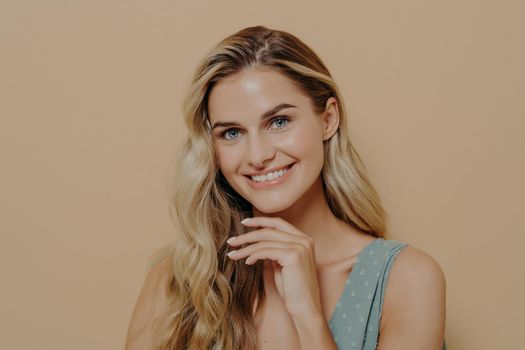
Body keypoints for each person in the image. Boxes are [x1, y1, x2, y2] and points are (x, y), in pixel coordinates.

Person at [125, 25, 447, 350]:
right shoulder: (179, 279)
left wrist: (307, 313)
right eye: (232, 132)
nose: (258, 155)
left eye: (279, 122)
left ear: (328, 119)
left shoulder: (405, 280)